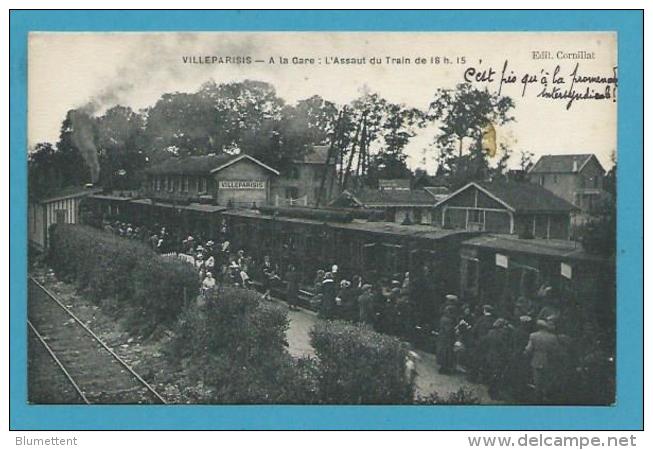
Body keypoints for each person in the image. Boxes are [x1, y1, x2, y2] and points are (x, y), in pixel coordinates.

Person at [524, 318, 567, 403]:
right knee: (547, 380)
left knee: (537, 381)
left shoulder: (533, 335)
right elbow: (557, 350)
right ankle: (546, 397)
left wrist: (525, 353)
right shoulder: (553, 337)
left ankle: (538, 399)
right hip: (548, 360)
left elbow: (529, 349)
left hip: (536, 359)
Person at [437, 305, 457, 374]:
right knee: (447, 353)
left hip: (442, 337)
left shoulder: (443, 318)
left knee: (442, 352)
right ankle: (445, 368)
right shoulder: (449, 320)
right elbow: (449, 330)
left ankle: (442, 367)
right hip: (447, 339)